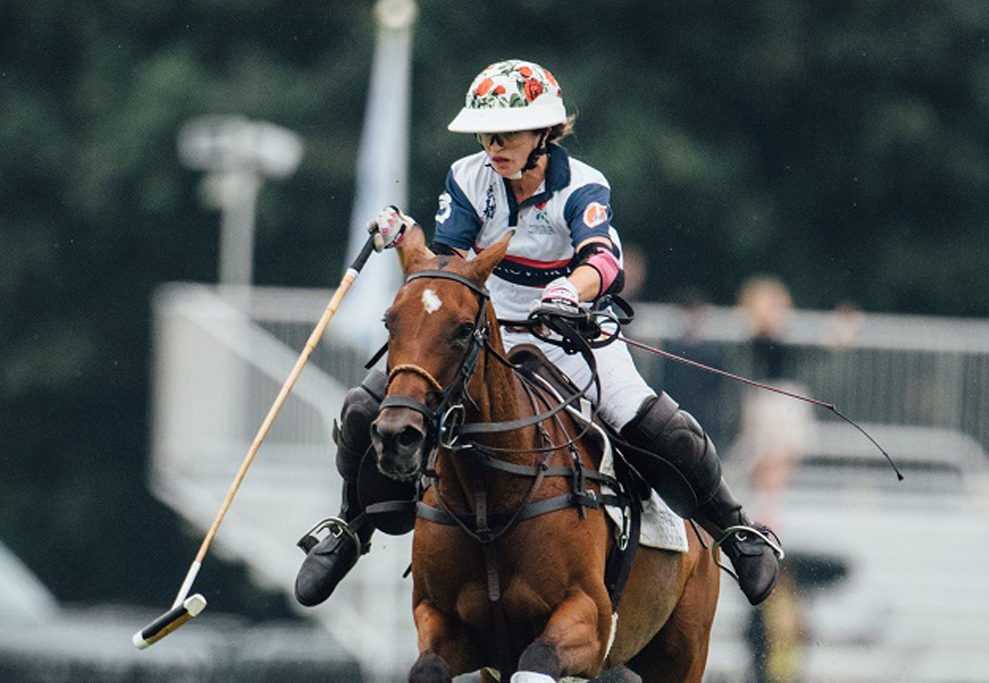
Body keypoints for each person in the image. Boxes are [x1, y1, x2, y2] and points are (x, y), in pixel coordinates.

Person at [295, 59, 782, 609]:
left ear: (544, 134)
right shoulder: (467, 176)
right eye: (485, 133)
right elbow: (453, 264)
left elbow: (602, 258)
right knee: (368, 409)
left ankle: (737, 532)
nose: (492, 145)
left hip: (566, 333)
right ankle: (350, 527)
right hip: (477, 333)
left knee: (658, 426)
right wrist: (410, 238)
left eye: (506, 134)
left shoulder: (582, 184)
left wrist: (570, 290)